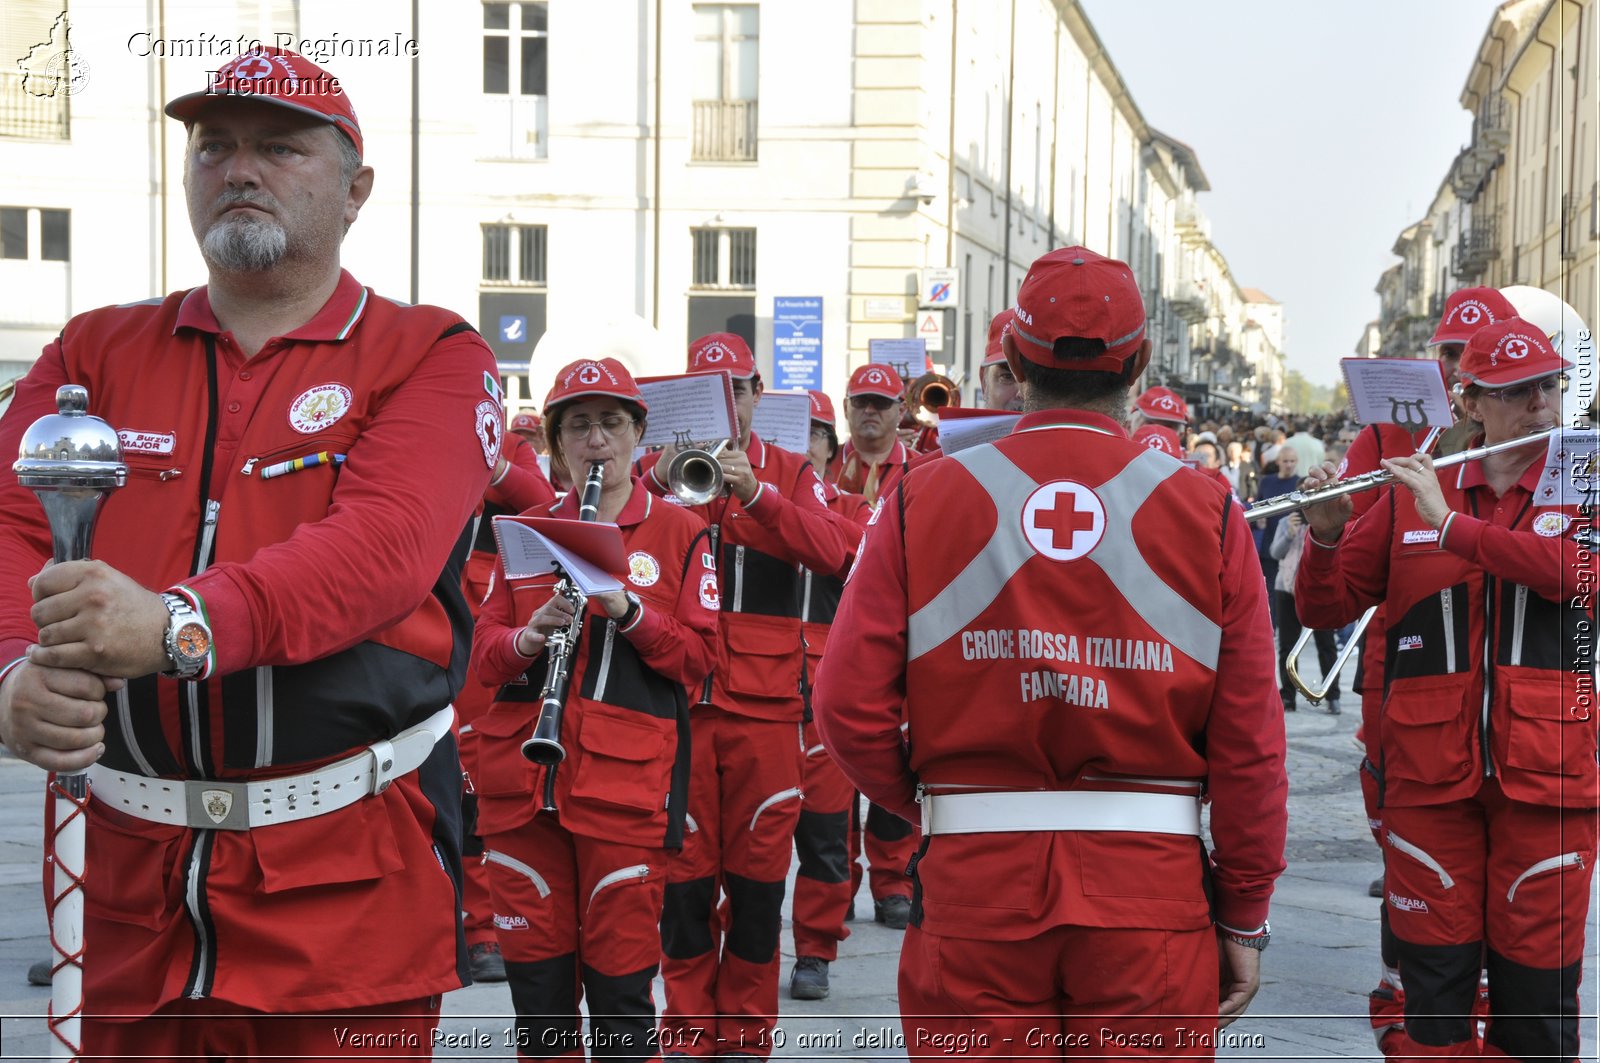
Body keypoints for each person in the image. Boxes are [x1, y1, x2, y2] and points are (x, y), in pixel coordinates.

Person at [0, 48, 496, 1055]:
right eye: (213, 145)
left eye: (280, 147)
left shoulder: (433, 353)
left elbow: (382, 549)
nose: (240, 167)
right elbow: (9, 525)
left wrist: (179, 625)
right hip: (124, 885)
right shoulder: (92, 351)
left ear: (356, 190)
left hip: (345, 886)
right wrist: (13, 673)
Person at [815, 246, 1288, 1058]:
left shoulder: (920, 496)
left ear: (1017, 361)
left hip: (974, 889)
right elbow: (1250, 739)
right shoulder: (1206, 508)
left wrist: (937, 800)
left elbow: (844, 706)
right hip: (1150, 895)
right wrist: (1243, 909)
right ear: (1139, 361)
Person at [1297, 317, 1593, 1061]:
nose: (1540, 406)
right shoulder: (1410, 491)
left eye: (1549, 387)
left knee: (1538, 999)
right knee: (1433, 991)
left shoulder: (1586, 477)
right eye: (1516, 392)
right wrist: (1326, 536)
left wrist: (1451, 526)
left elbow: (1576, 574)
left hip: (1550, 776)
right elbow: (1325, 608)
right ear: (1471, 404)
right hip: (1429, 778)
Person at [471, 358, 717, 1060]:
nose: (596, 441)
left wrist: (629, 609)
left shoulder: (678, 532)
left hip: (624, 794)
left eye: (610, 422)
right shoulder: (523, 531)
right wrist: (527, 634)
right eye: (578, 426)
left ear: (639, 434)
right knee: (538, 1005)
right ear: (556, 444)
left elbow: (701, 661)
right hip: (522, 790)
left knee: (621, 1005)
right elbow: (483, 655)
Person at [643, 333, 850, 1059]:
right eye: (706, 395)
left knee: (759, 891)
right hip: (681, 705)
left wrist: (754, 494)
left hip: (765, 710)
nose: (725, 406)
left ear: (758, 394)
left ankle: (747, 1038)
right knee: (683, 889)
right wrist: (657, 487)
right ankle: (689, 1035)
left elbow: (834, 551)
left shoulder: (790, 472)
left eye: (735, 390)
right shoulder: (652, 473)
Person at [1335, 284, 1513, 1058]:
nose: (1453, 367)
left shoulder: (1541, 448)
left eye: (1465, 355)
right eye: (1445, 354)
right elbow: (1348, 558)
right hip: (1398, 671)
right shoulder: (1387, 435)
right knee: (1405, 848)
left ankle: (1471, 987)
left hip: (1497, 695)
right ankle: (1400, 977)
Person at [456, 421, 556, 985]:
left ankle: (483, 929)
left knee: (475, 786)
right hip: (410, 623)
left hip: (478, 638)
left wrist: (490, 467)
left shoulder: (508, 449)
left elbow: (544, 506)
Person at [788, 389, 875, 1001]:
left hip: (820, 695)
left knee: (824, 838)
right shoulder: (721, 493)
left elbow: (854, 553)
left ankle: (815, 951)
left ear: (829, 445)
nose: (801, 443)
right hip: (748, 696)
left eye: (813, 433)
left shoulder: (853, 509)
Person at [1268, 511, 1339, 716]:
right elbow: (1275, 553)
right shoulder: (1285, 522)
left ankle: (1333, 696)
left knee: (1326, 644)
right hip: (1286, 589)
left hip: (1318, 590)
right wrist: (1289, 533)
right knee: (1287, 645)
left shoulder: (1325, 521)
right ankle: (1288, 696)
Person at [838, 364, 917, 503]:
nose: (869, 410)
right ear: (845, 408)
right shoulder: (821, 464)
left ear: (901, 411)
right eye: (860, 401)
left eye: (881, 402)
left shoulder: (921, 468)